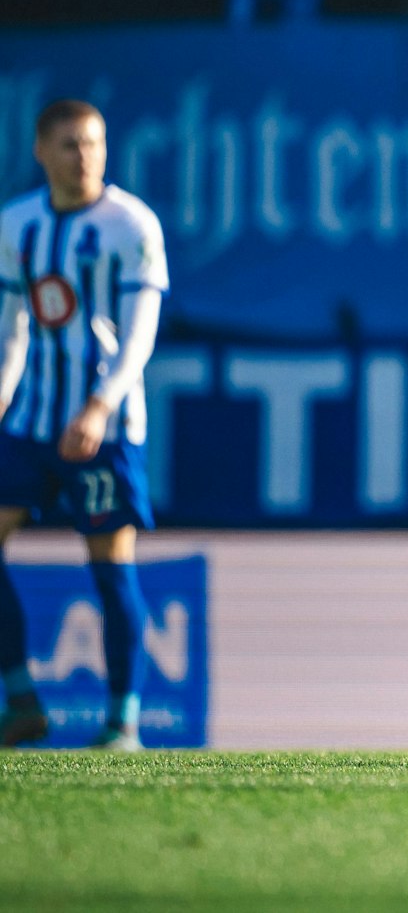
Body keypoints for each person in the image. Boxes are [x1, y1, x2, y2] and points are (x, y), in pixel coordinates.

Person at [0, 101, 168, 750]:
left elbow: (140, 336)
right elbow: (11, 330)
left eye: (94, 143)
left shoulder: (131, 225)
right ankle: (21, 699)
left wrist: (99, 405)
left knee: (110, 563)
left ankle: (122, 720)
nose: (85, 156)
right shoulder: (18, 225)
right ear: (40, 150)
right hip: (33, 421)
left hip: (106, 424)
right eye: (70, 144)